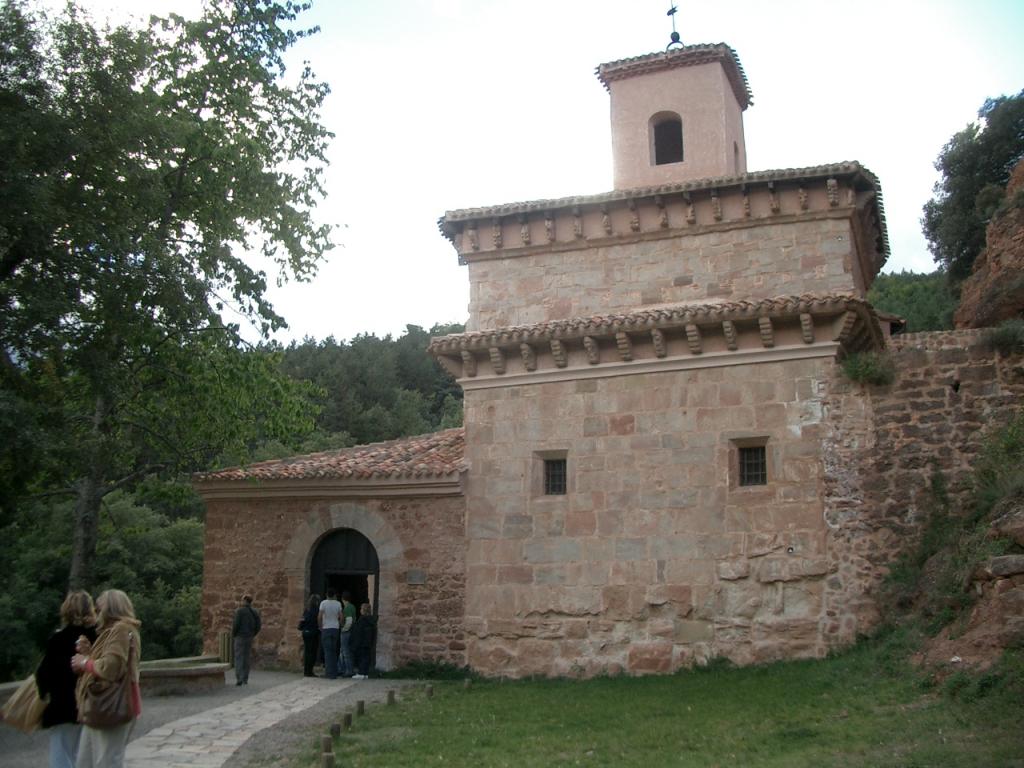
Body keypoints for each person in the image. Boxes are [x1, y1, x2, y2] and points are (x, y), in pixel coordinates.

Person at [70, 589, 141, 768]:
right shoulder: (115, 631)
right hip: (102, 705)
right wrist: (89, 653)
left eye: (99, 608)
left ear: (109, 608)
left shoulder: (121, 629)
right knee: (86, 762)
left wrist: (85, 662)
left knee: (106, 761)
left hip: (111, 704)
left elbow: (111, 667)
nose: (96, 612)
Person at [35, 591, 97, 768]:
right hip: (91, 702)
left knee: (61, 753)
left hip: (62, 705)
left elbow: (44, 674)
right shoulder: (96, 637)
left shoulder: (58, 639)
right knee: (86, 756)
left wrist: (43, 694)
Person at [231, 594, 261, 686]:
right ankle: (245, 678)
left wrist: (234, 634)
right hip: (249, 636)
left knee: (238, 657)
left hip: (240, 636)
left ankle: (239, 678)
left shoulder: (239, 611)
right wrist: (253, 633)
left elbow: (236, 624)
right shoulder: (255, 612)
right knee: (246, 657)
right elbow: (258, 625)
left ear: (244, 601)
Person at [318, 589, 342, 679]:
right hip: (335, 628)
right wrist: (339, 624)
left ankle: (329, 673)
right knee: (334, 651)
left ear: (326, 595)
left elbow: (320, 616)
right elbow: (341, 616)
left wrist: (320, 626)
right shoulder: (338, 603)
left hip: (326, 628)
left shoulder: (323, 603)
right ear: (334, 595)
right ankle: (334, 672)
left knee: (327, 652)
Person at [349, 603, 377, 680]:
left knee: (361, 657)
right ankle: (365, 673)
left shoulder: (362, 620)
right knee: (366, 657)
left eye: (361, 609)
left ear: (363, 610)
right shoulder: (371, 620)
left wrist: (354, 643)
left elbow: (358, 632)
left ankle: (361, 672)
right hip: (368, 642)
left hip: (361, 642)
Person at [298, 593, 321, 677]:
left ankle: (306, 671)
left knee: (307, 652)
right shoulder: (317, 610)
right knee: (313, 652)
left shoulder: (307, 610)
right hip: (313, 632)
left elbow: (303, 620)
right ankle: (309, 671)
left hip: (305, 632)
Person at [338, 590, 357, 677]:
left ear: (343, 599)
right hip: (351, 631)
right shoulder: (352, 607)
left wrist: (343, 629)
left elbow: (349, 621)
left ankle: (348, 670)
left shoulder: (347, 608)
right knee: (344, 651)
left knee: (345, 651)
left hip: (346, 632)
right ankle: (342, 669)